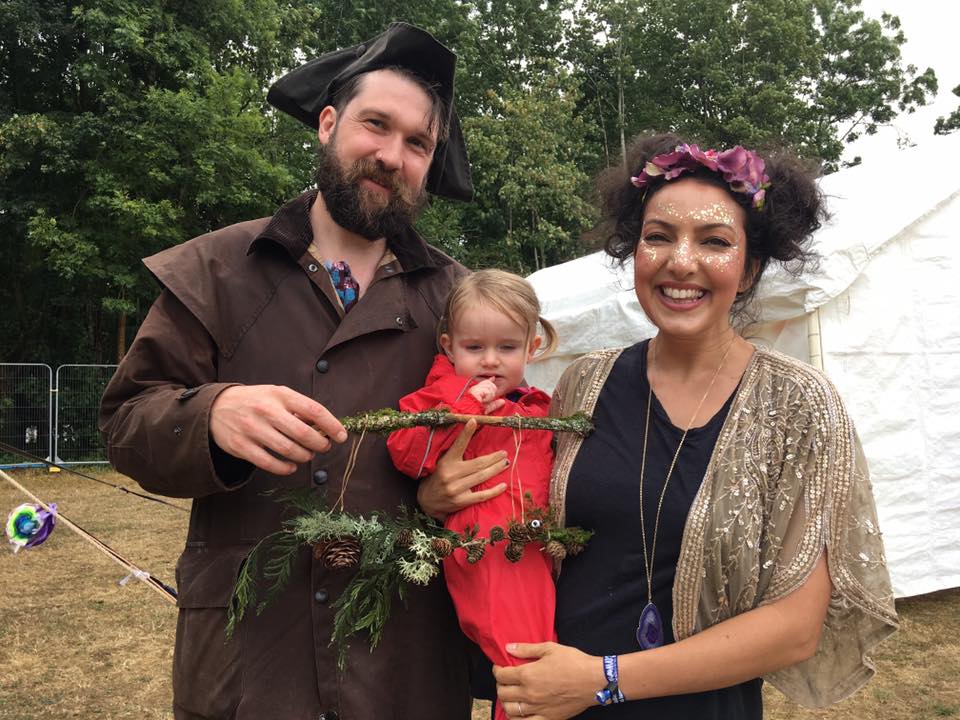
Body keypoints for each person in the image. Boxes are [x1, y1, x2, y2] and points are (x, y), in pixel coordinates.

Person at [98, 23, 508, 720]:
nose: (391, 155)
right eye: (375, 125)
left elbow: (512, 446)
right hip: (252, 660)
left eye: (418, 143)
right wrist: (211, 415)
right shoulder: (218, 269)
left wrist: (453, 489)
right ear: (327, 123)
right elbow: (126, 420)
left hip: (403, 662)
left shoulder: (462, 301)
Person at [420, 133, 899, 719]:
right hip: (553, 705)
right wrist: (434, 494)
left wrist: (603, 679)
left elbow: (794, 628)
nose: (680, 261)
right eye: (658, 237)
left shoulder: (797, 406)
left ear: (748, 270)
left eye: (714, 241)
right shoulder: (583, 386)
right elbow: (512, 510)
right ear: (633, 252)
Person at [387, 270, 560, 720]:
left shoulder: (536, 406)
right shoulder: (442, 395)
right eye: (474, 348)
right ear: (448, 345)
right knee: (522, 662)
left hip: (534, 546)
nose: (490, 362)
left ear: (531, 348)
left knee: (541, 657)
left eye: (506, 348)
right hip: (489, 551)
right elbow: (406, 450)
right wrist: (467, 406)